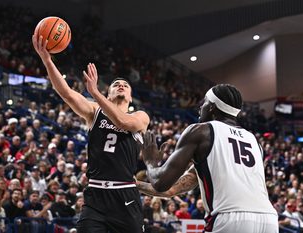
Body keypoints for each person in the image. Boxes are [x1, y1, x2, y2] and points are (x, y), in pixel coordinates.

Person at [32, 34, 150, 233]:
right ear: (109, 94)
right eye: (116, 85)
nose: (121, 85)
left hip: (125, 195)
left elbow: (123, 122)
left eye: (125, 85)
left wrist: (95, 92)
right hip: (95, 196)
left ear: (130, 97)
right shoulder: (95, 111)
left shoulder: (140, 116)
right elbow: (67, 93)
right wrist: (47, 60)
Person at [139, 84, 278, 233]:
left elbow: (161, 183)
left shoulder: (201, 131)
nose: (200, 108)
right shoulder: (254, 142)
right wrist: (134, 184)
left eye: (204, 102)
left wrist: (150, 161)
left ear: (212, 107)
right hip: (268, 219)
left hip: (229, 217)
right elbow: (172, 190)